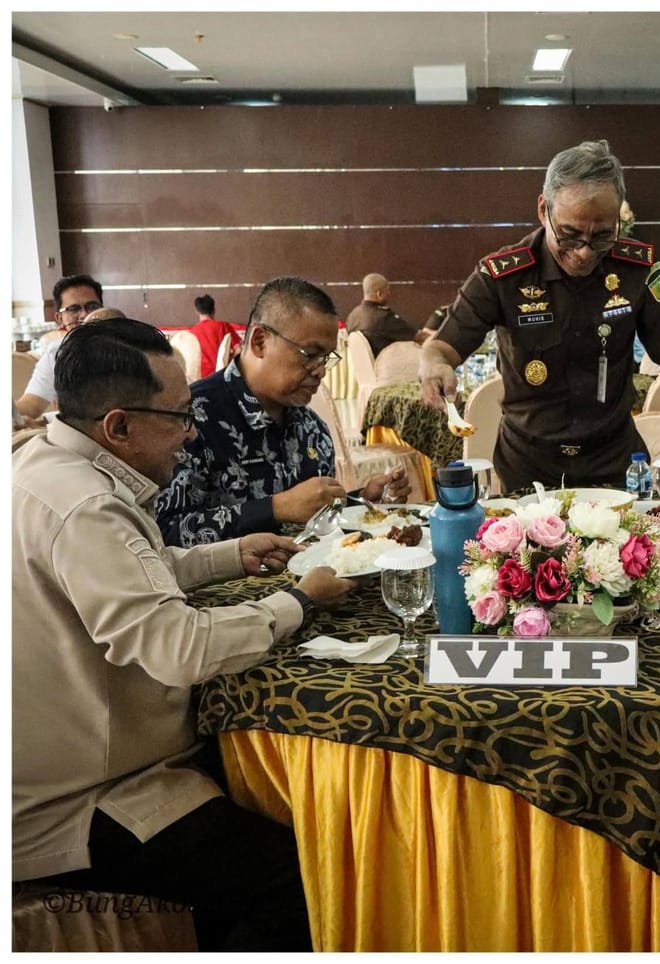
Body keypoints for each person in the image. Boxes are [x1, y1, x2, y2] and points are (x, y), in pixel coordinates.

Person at [13, 317, 358, 950]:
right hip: (78, 801)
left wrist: (229, 554)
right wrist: (298, 602)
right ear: (118, 426)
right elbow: (181, 648)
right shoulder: (86, 506)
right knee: (302, 875)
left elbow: (127, 575)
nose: (191, 431)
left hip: (81, 762)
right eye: (178, 416)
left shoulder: (46, 464)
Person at [417, 140, 660, 495]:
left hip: (615, 460)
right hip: (528, 464)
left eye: (602, 236)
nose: (584, 252)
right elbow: (442, 347)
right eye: (569, 235)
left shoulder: (638, 270)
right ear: (544, 210)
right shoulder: (503, 275)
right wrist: (433, 363)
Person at [157, 276, 411, 546]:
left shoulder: (312, 429)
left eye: (326, 358)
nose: (321, 371)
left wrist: (362, 501)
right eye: (309, 354)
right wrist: (275, 508)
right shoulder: (191, 420)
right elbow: (163, 533)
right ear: (260, 342)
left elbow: (313, 522)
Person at [15, 273, 104, 421]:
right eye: (74, 309)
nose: (84, 315)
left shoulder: (125, 346)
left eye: (92, 307)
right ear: (59, 319)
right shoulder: (57, 353)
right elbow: (30, 406)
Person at [345, 272, 429, 355]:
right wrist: (433, 337)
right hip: (391, 362)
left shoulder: (352, 316)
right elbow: (419, 337)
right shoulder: (384, 317)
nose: (389, 293)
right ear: (379, 294)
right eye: (387, 290)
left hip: (364, 364)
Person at [190, 293, 245, 377]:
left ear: (197, 311)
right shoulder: (223, 326)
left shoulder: (192, 333)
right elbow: (238, 349)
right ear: (214, 310)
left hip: (201, 378)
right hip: (222, 375)